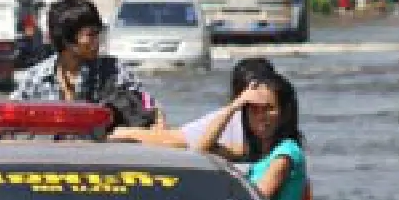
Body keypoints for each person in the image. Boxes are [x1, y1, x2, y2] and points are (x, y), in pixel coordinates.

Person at [200, 72, 311, 200]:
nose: (261, 117)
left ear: (284, 113)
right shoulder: (256, 153)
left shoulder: (285, 154)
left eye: (269, 109)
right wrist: (235, 106)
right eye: (254, 110)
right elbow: (202, 149)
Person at [108, 57, 275, 153]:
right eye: (253, 106)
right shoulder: (230, 116)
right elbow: (184, 142)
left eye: (268, 107)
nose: (261, 114)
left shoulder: (282, 133)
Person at [12, 0, 147, 107]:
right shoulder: (34, 79)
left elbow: (151, 112)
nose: (97, 40)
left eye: (99, 33)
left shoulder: (116, 72)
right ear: (67, 39)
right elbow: (9, 124)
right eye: (91, 35)